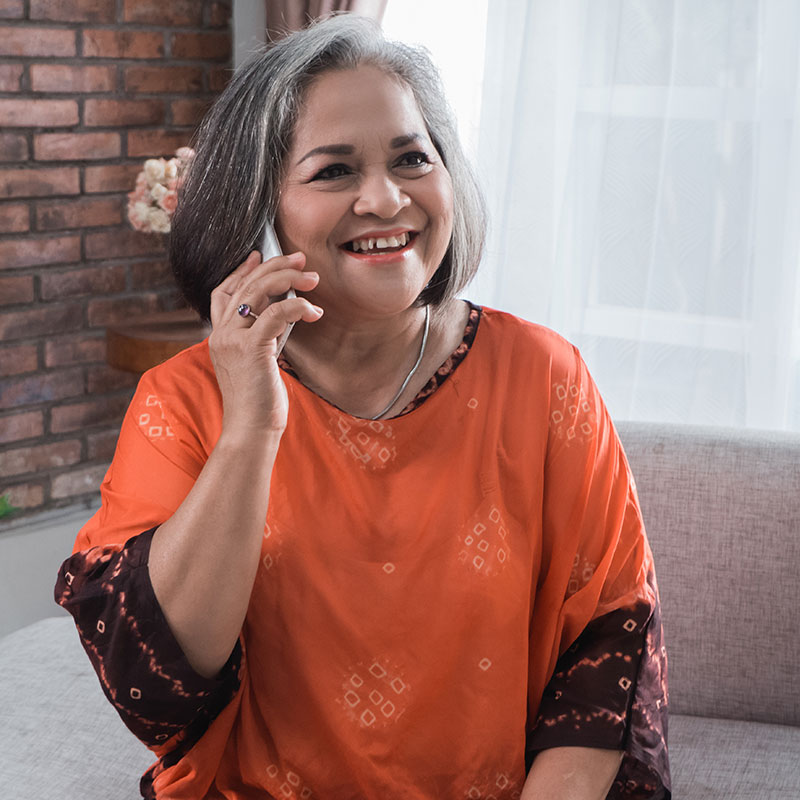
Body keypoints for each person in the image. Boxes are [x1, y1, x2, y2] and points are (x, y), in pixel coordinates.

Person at [55, 15, 669, 800]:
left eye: (413, 158)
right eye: (333, 171)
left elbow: (609, 645)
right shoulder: (182, 402)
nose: (386, 199)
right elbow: (156, 684)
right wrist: (252, 427)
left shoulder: (545, 376)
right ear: (259, 211)